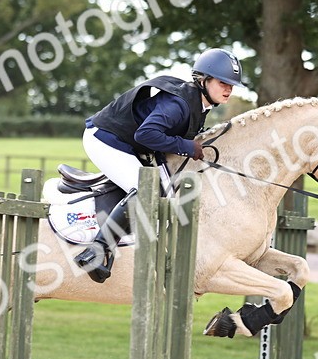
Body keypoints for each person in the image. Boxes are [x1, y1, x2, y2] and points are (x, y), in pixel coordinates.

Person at [74, 48, 246, 283]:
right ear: (203, 80)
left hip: (130, 142)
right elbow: (146, 134)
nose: (229, 89)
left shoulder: (200, 103)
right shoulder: (179, 104)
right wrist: (186, 146)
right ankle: (96, 250)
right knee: (147, 189)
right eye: (222, 82)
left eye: (231, 85)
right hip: (104, 139)